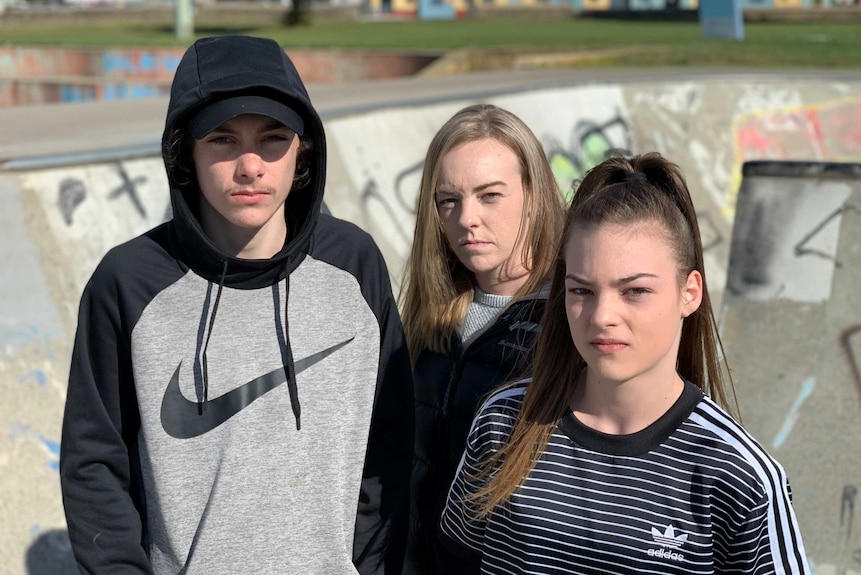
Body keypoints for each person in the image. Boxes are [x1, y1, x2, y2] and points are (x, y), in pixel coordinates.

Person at [59, 35, 413, 574]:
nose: (250, 166)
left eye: (273, 139)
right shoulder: (129, 283)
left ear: (302, 152)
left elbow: (388, 446)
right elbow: (95, 468)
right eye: (223, 140)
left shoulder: (354, 266)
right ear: (185, 153)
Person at [439, 152, 811, 573]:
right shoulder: (503, 421)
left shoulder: (737, 475)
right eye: (581, 291)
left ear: (689, 293)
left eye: (634, 291)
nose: (601, 317)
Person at [399, 104, 566, 573]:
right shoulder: (427, 321)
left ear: (533, 195)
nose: (466, 218)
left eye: (490, 195)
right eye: (448, 200)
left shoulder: (571, 327)